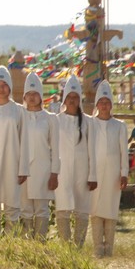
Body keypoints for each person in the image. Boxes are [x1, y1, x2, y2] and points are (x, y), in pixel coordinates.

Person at [88, 81, 129, 258]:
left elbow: (123, 152)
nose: (104, 105)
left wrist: (124, 173)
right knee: (95, 210)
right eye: (101, 102)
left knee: (110, 210)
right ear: (97, 104)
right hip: (94, 174)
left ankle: (109, 248)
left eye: (107, 102)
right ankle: (98, 248)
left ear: (111, 104)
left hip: (113, 174)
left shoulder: (119, 126)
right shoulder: (90, 124)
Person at [18, 72, 58, 239]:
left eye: (35, 94)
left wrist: (54, 173)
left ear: (41, 96)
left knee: (41, 208)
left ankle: (40, 243)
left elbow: (56, 149)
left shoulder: (50, 119)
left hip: (43, 170)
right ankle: (26, 245)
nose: (32, 97)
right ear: (25, 96)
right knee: (24, 208)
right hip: (22, 170)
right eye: (29, 94)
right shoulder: (19, 116)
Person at [54, 76, 93, 247]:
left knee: (82, 207)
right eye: (69, 97)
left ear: (80, 99)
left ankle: (78, 245)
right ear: (64, 98)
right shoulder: (56, 120)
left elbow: (92, 149)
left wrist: (93, 174)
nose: (72, 100)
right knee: (63, 204)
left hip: (83, 170)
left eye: (75, 97)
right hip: (62, 170)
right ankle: (65, 245)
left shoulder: (88, 122)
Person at [0, 66, 23, 234]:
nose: (1, 88)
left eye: (4, 84)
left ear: (10, 86)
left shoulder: (18, 110)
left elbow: (24, 140)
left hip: (11, 160)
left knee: (11, 201)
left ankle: (10, 240)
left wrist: (23, 167)